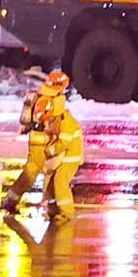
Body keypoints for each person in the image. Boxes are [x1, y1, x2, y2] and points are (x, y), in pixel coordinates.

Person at [3, 71, 66, 215]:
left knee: (51, 171)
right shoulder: (50, 99)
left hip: (46, 139)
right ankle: (11, 201)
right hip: (42, 139)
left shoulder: (49, 97)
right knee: (31, 172)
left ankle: (52, 205)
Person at [41, 92, 84, 227]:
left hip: (70, 159)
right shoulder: (57, 119)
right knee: (51, 182)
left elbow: (63, 143)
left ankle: (67, 212)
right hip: (62, 158)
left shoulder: (67, 123)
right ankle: (53, 209)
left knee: (60, 182)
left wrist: (50, 150)